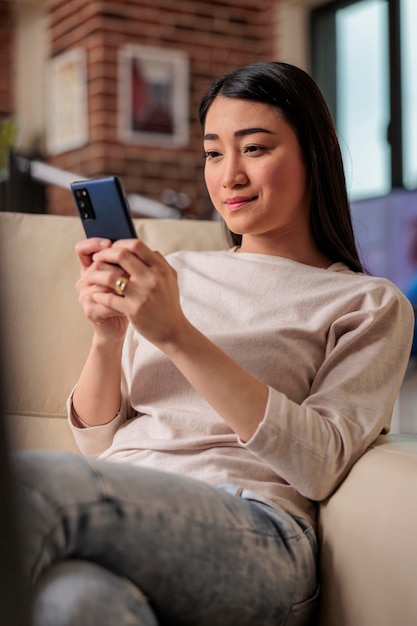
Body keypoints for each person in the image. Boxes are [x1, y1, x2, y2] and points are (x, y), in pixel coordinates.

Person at [14, 62, 413, 626]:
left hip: (255, 532)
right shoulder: (173, 273)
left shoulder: (368, 303)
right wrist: (110, 336)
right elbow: (98, 443)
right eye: (213, 153)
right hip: (130, 506)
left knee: (26, 485)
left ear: (317, 153)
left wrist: (176, 334)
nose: (230, 177)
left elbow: (321, 463)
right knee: (75, 602)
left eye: (254, 148)